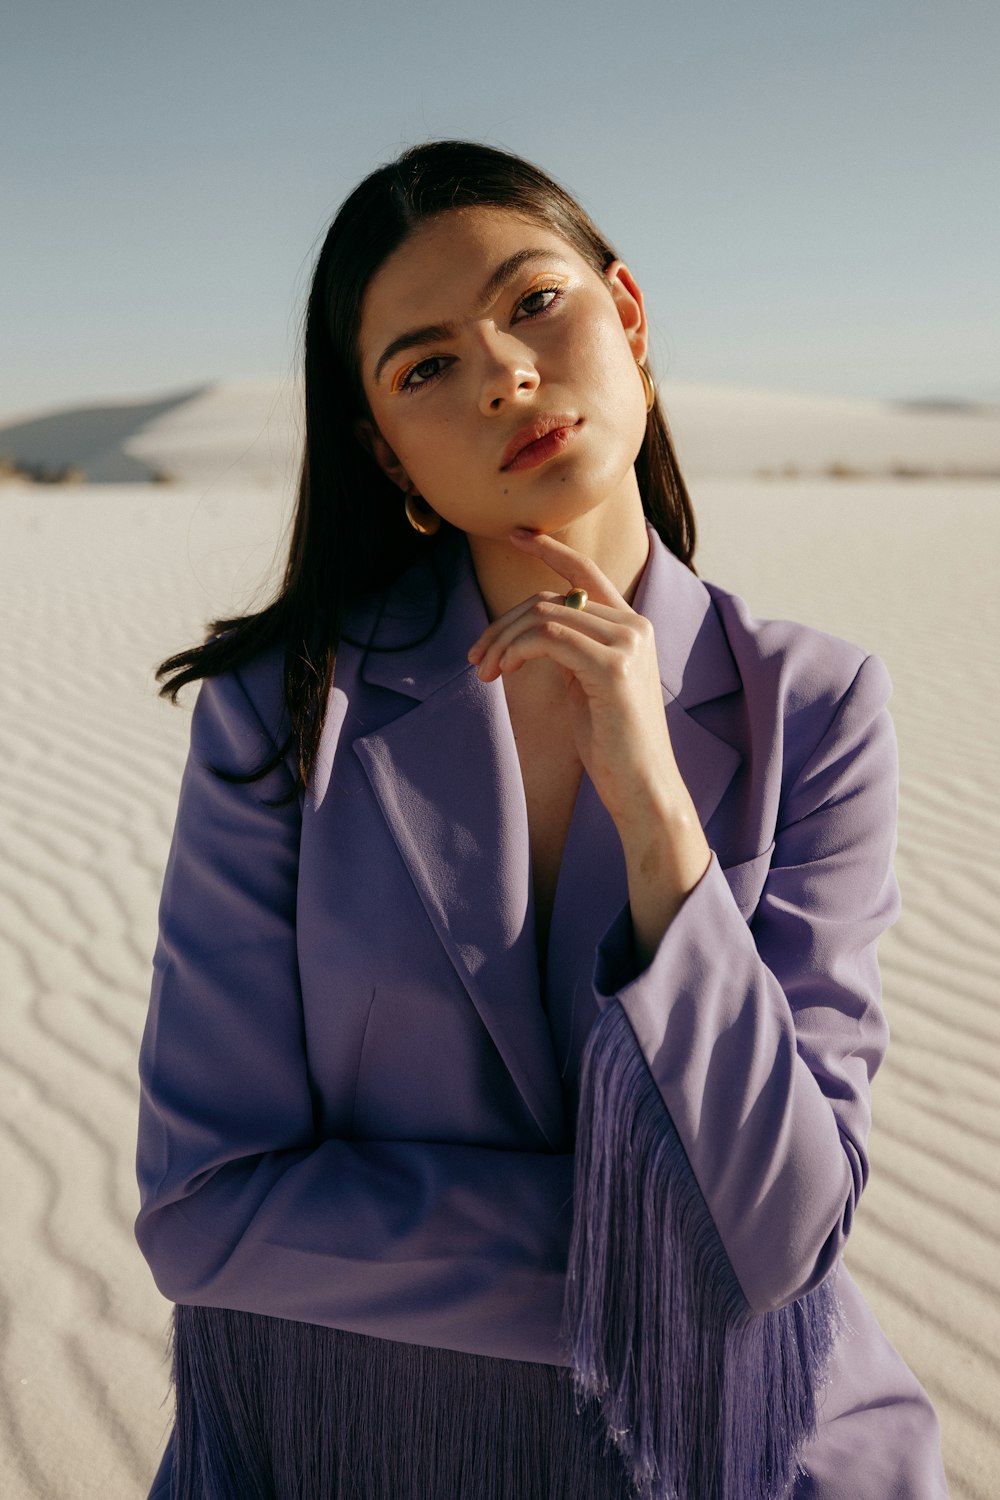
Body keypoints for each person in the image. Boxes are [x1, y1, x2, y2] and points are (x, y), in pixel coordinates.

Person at [134, 140, 950, 1499]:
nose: (506, 372)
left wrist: (657, 820)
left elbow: (793, 1222)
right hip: (350, 1451)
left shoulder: (817, 706)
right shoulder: (279, 715)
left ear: (626, 317)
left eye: (534, 304)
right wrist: (676, 1277)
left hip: (751, 1463)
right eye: (426, 366)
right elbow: (205, 1214)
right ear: (381, 443)